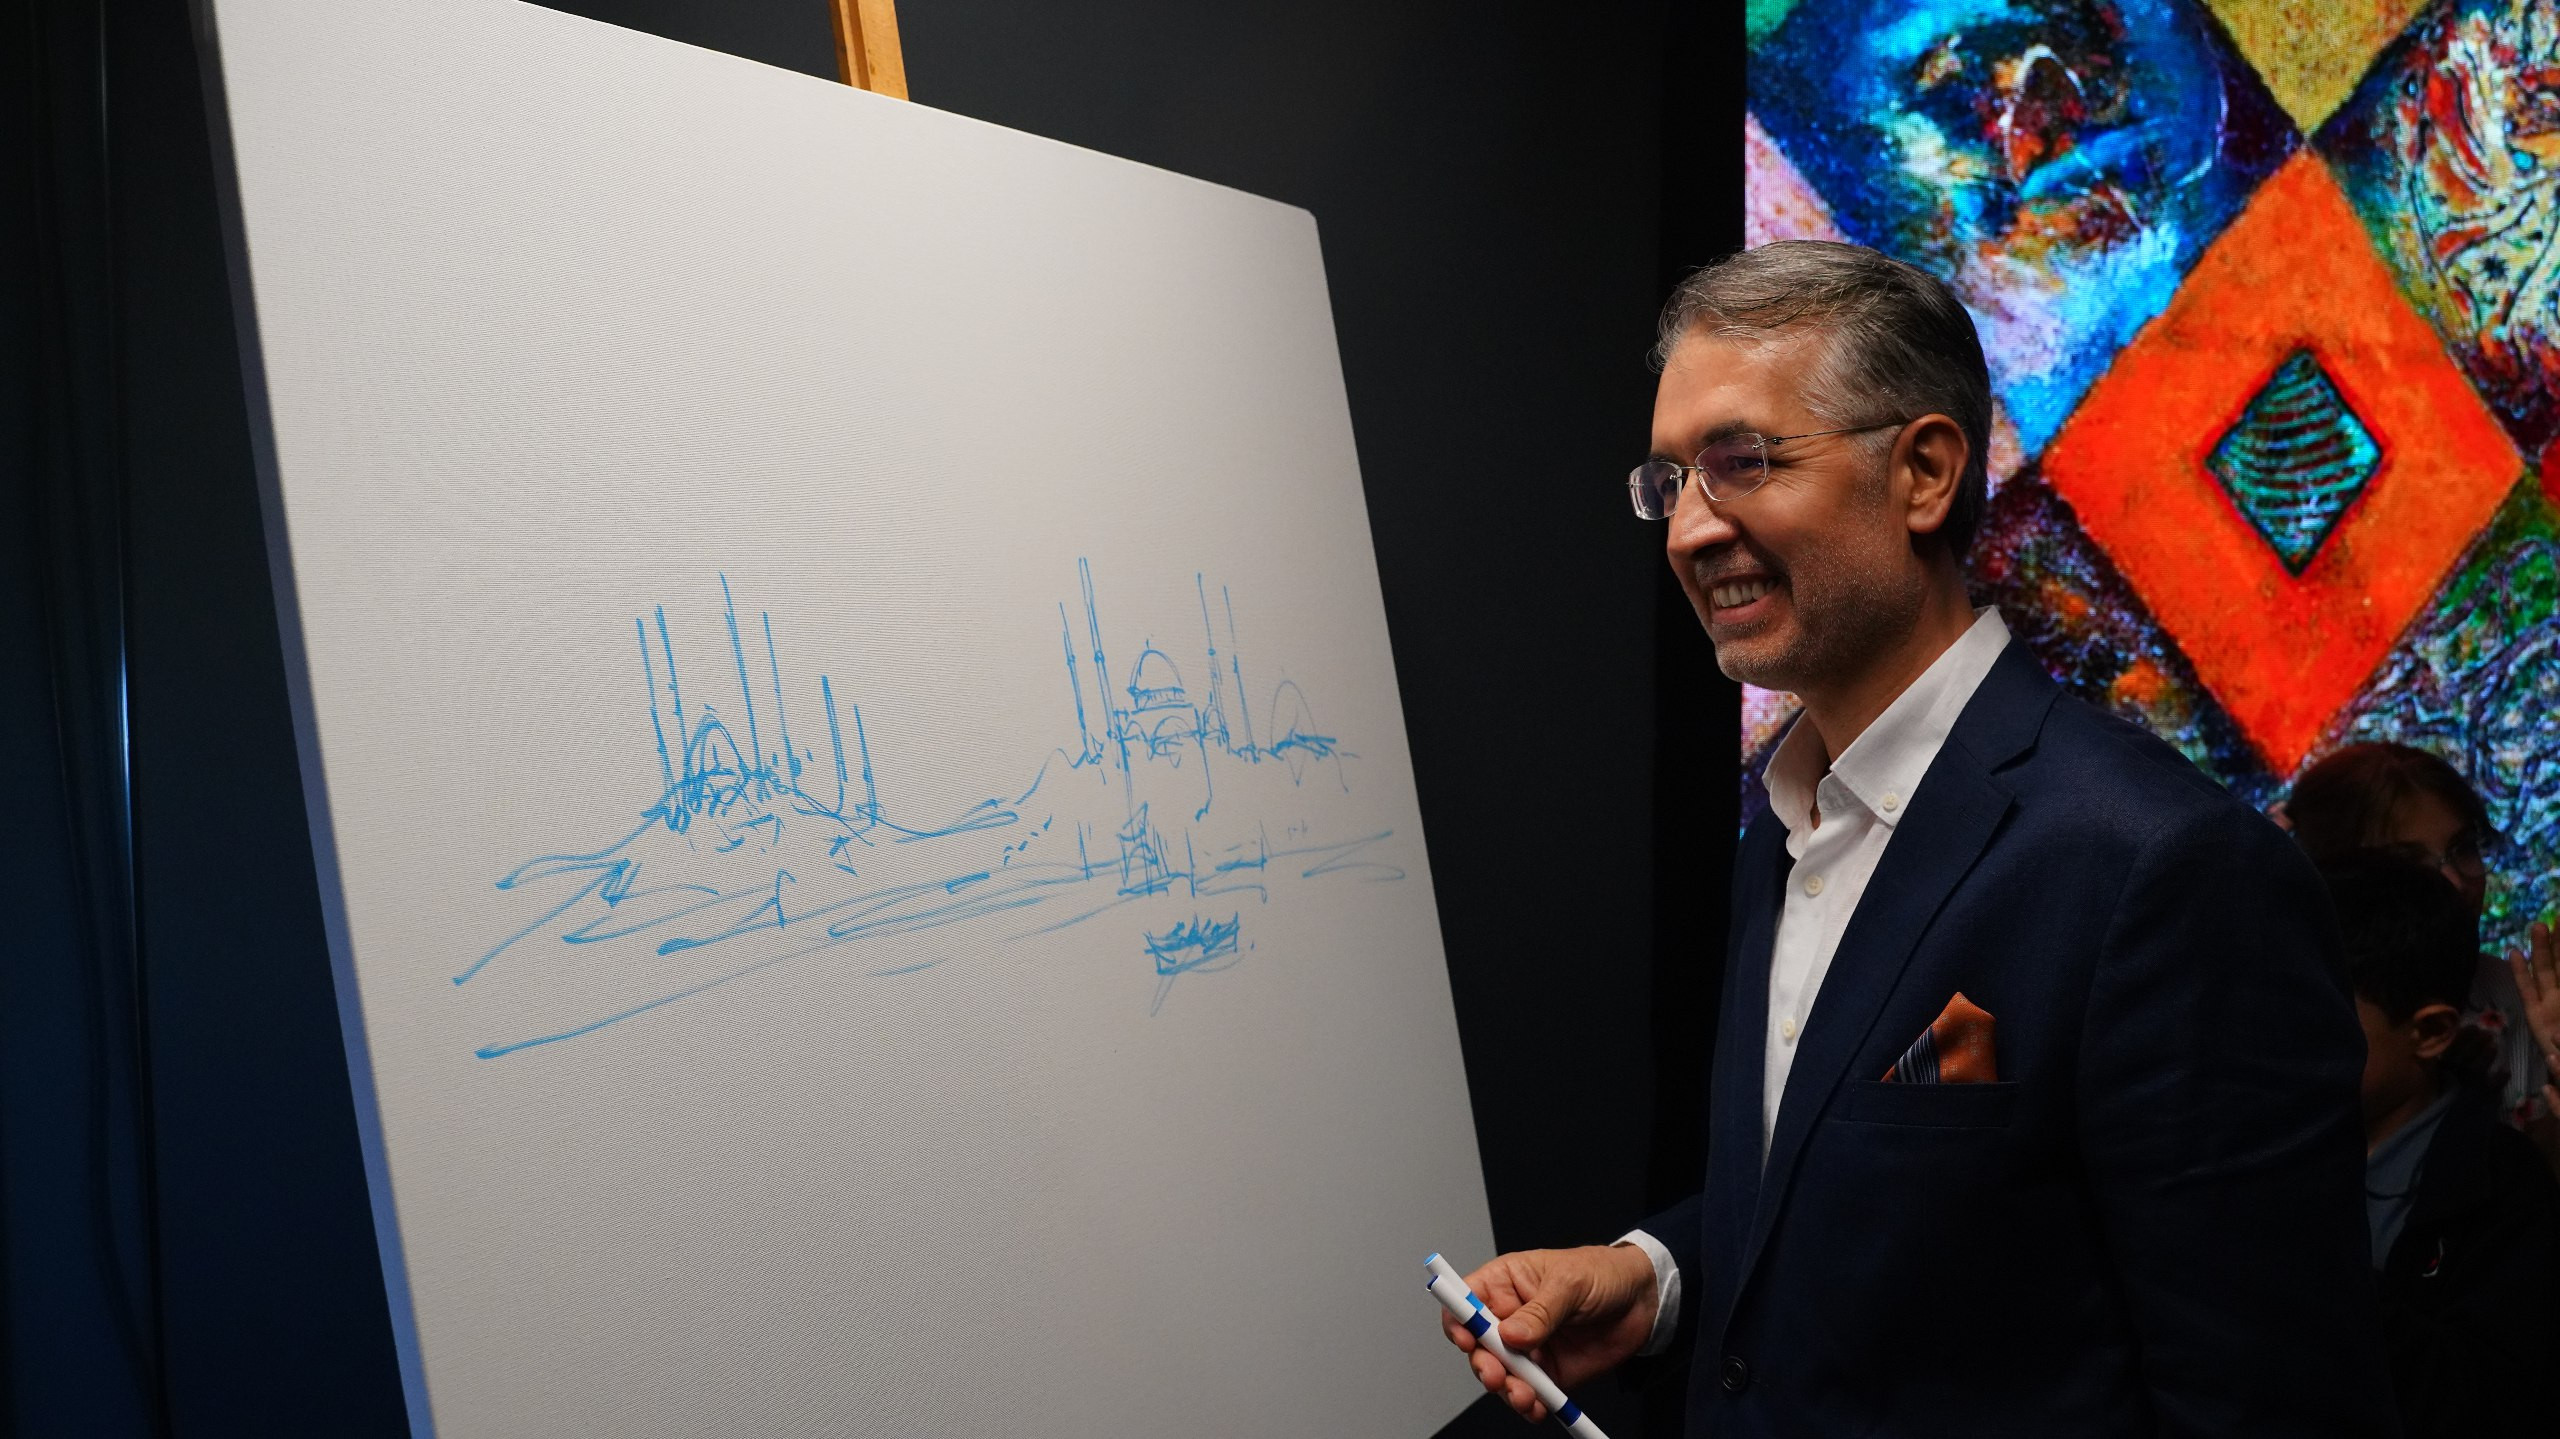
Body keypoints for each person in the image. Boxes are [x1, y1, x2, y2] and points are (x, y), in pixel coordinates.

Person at [1439, 241, 2394, 1434]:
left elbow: (2271, 1396)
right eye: (1670, 480)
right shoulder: (1782, 826)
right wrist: (1657, 1275)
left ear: (1925, 473)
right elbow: (1868, 1206)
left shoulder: (2159, 867)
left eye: (1739, 463)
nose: (1687, 530)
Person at [2323, 849, 2560, 1437]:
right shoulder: (2252, 1145)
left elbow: (2487, 1401)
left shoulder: (2502, 1192)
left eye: (2317, 1015)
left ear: (2429, 1032)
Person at [2284, 742, 2560, 1158]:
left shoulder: (2516, 996)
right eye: (2409, 862)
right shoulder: (2291, 1014)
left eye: (2463, 848)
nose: (2455, 882)